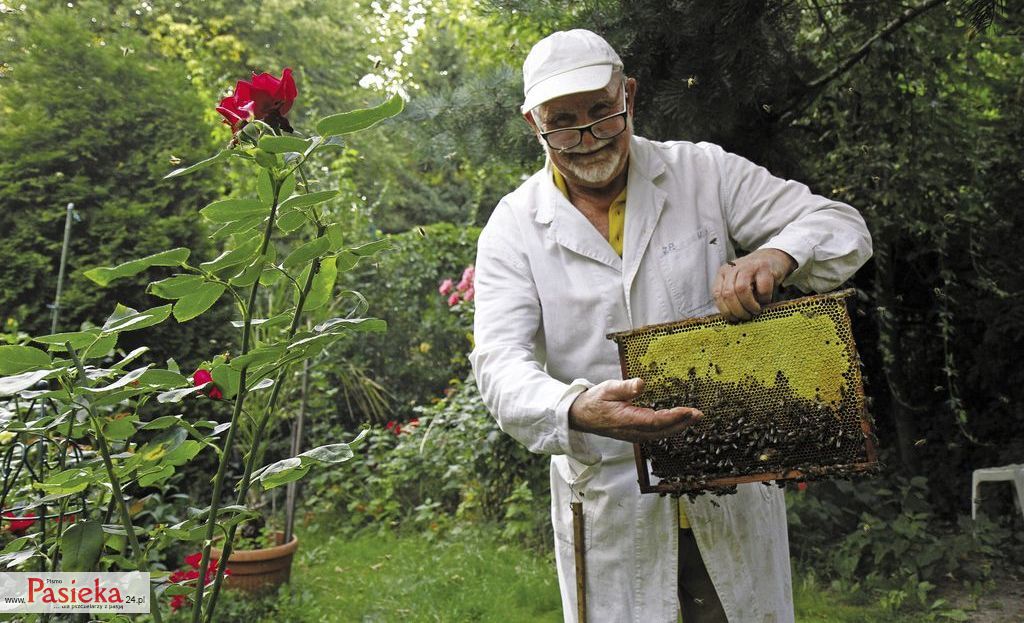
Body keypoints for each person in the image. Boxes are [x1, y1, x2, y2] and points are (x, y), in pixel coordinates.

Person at [469, 29, 872, 623]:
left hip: (732, 484)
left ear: (628, 95)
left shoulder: (704, 171)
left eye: (601, 112)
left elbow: (840, 226)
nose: (588, 137)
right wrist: (574, 409)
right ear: (534, 124)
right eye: (563, 123)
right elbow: (500, 365)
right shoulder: (513, 227)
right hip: (610, 500)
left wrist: (777, 255)